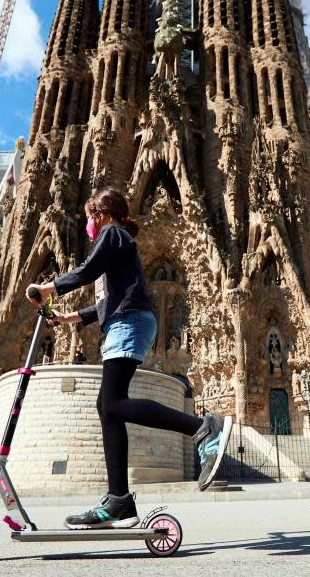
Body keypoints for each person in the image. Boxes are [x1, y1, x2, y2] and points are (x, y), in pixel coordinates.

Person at [27, 186, 233, 530]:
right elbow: (104, 304)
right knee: (108, 408)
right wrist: (67, 319)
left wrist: (48, 288)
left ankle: (202, 427)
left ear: (101, 214)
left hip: (130, 322)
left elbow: (88, 271)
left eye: (92, 217)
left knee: (112, 405)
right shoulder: (117, 244)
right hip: (126, 320)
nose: (90, 226)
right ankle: (119, 500)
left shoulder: (112, 233)